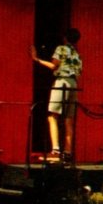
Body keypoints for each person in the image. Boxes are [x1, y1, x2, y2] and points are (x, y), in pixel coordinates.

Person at [30, 28, 83, 162]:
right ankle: (68, 152)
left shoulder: (61, 49)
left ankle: (55, 151)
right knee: (68, 119)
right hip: (73, 83)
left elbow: (54, 66)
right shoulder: (76, 53)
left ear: (65, 38)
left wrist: (36, 59)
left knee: (52, 115)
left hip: (62, 82)